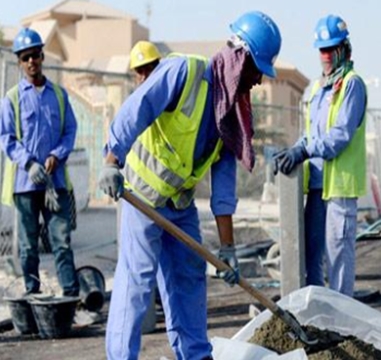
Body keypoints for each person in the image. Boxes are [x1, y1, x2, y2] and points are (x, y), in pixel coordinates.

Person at [98, 11, 281, 360]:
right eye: (257, 69)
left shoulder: (232, 113)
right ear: (239, 58)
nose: (258, 80)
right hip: (141, 198)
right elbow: (137, 108)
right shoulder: (184, 73)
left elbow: (224, 190)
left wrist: (227, 250)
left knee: (188, 282)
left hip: (180, 209)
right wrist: (111, 161)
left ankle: (196, 356)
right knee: (136, 286)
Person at [274, 14, 367, 297]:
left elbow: (339, 135)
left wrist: (304, 149)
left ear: (343, 49)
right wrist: (294, 149)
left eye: (331, 49)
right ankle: (316, 314)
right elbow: (309, 132)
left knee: (337, 257)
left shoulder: (352, 84)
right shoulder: (316, 89)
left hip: (339, 189)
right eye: (322, 50)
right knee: (311, 254)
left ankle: (341, 321)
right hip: (316, 186)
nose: (325, 56)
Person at [0, 28, 79, 298]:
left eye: (34, 55)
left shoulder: (59, 95)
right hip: (25, 185)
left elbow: (70, 130)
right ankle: (33, 293)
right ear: (20, 63)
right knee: (28, 246)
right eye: (25, 57)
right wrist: (29, 164)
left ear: (42, 56)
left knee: (61, 241)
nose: (31, 61)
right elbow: (6, 137)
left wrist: (57, 155)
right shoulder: (11, 98)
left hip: (55, 184)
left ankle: (70, 295)